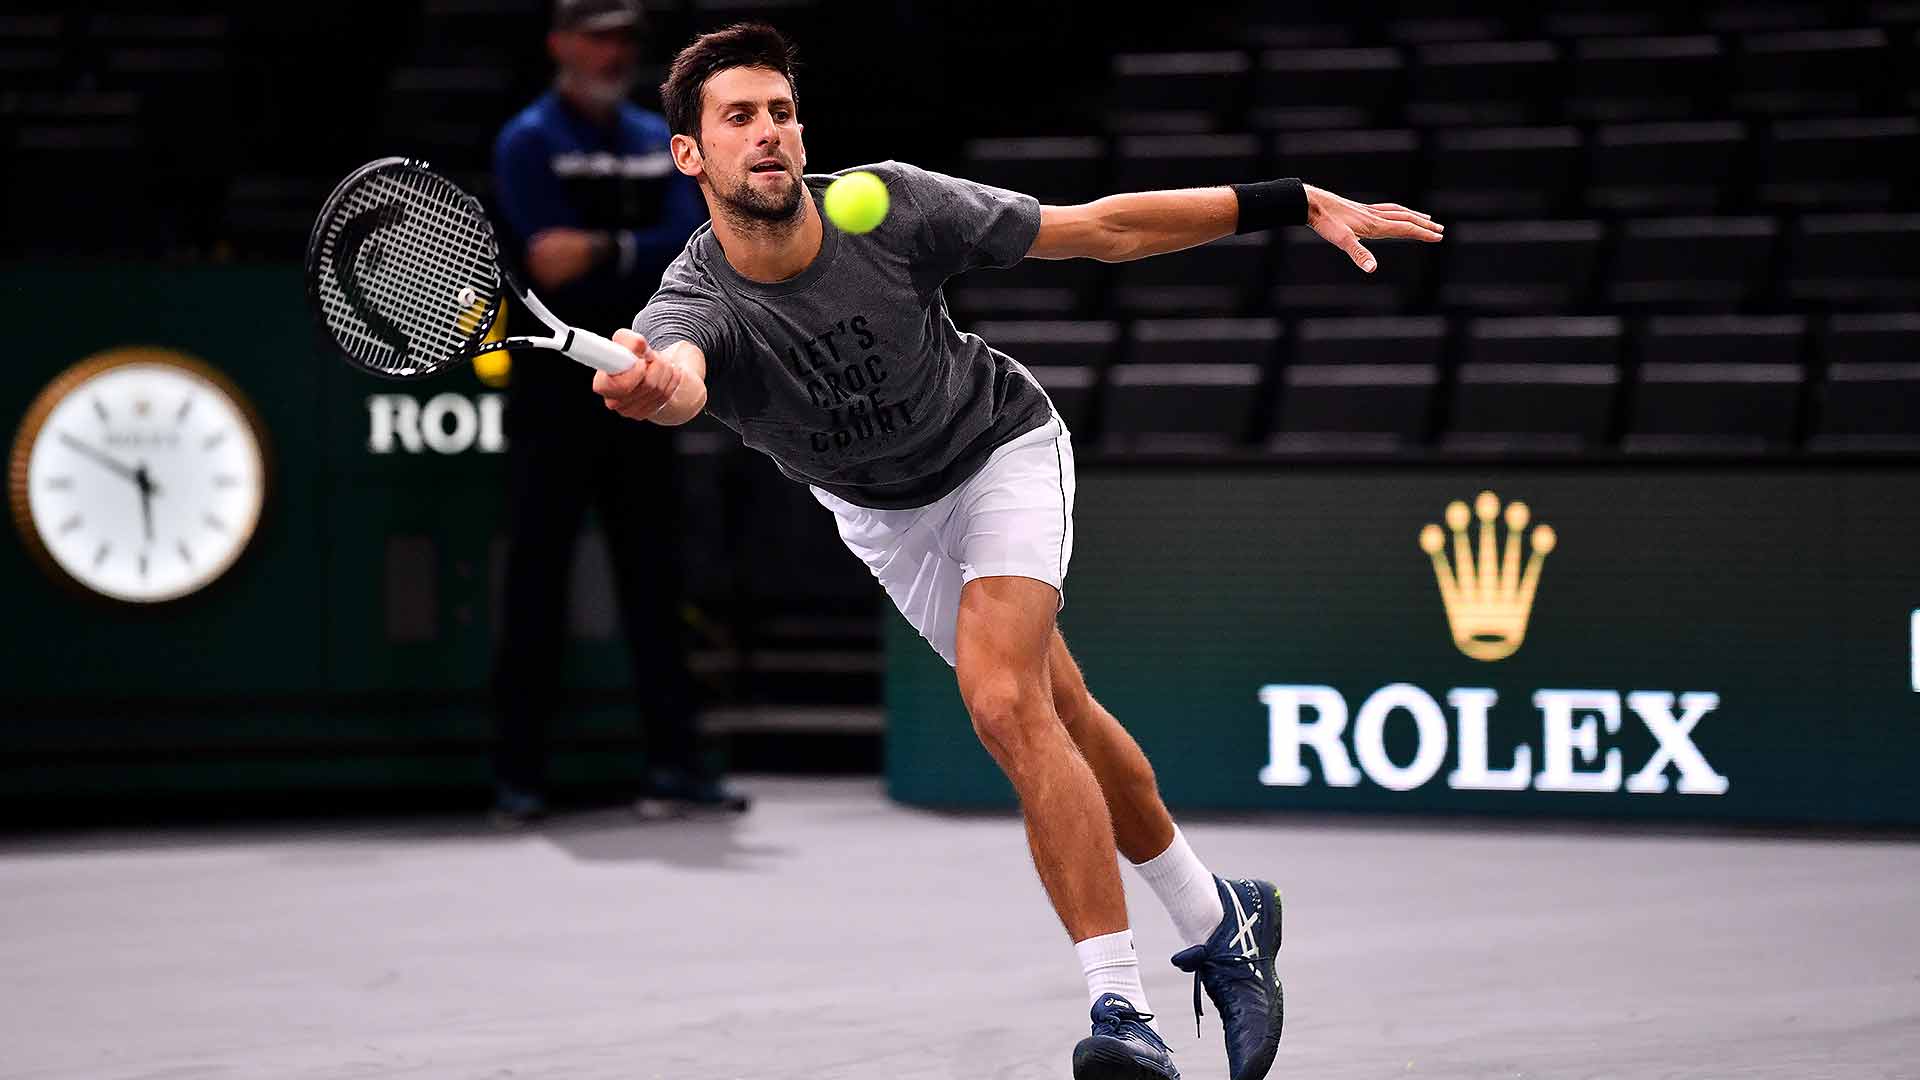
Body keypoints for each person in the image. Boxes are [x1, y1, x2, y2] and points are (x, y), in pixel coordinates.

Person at [592, 23, 1445, 1080]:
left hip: (999, 451)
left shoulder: (891, 205)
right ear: (690, 155)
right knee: (1064, 716)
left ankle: (1119, 1010)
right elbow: (676, 377)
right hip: (883, 517)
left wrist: (1286, 198)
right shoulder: (693, 301)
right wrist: (659, 384)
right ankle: (1225, 917)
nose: (770, 134)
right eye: (740, 118)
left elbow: (1101, 230)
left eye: (781, 111)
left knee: (1003, 702)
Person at [488, 0, 744, 826]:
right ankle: (519, 775)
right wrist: (628, 250)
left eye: (624, 40)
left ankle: (675, 765)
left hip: (641, 381)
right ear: (560, 42)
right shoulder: (527, 140)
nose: (612, 52)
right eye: (597, 37)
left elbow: (685, 238)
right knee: (536, 582)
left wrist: (600, 248)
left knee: (655, 579)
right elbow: (544, 260)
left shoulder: (648, 138)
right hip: (552, 401)